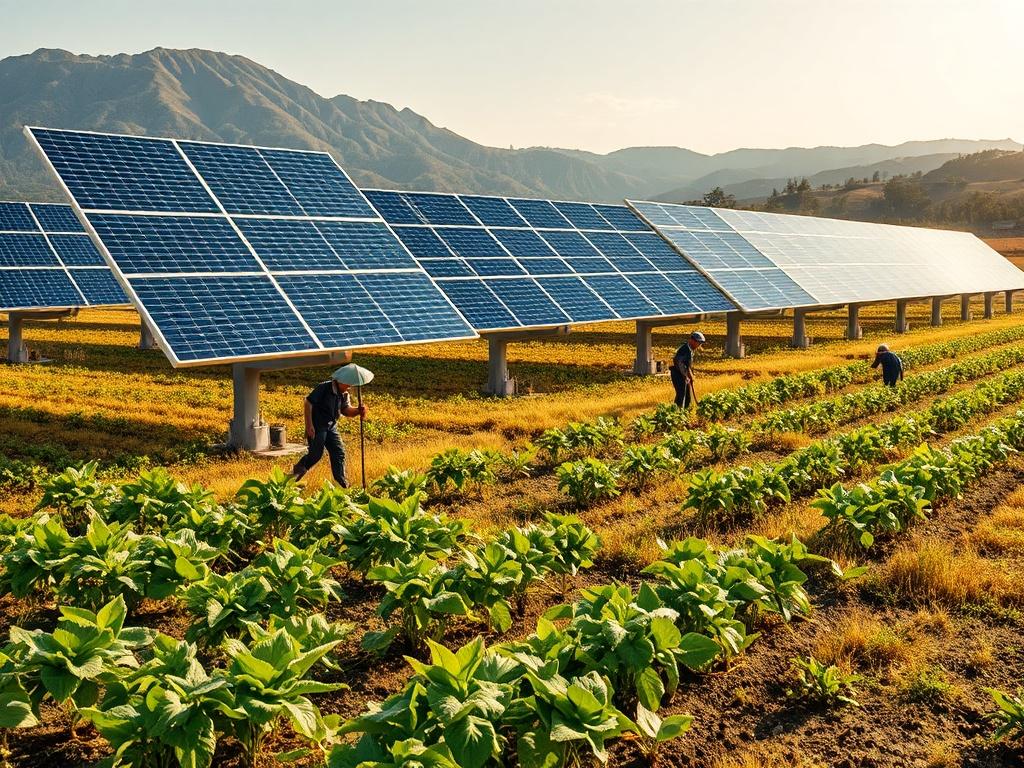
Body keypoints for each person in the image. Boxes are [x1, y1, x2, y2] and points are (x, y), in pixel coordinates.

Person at [291, 367, 368, 485]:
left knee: (338, 452)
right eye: (347, 384)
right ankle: (293, 476)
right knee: (315, 455)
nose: (349, 387)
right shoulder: (324, 387)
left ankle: (342, 483)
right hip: (318, 425)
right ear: (340, 381)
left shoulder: (344, 394)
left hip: (331, 426)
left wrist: (358, 410)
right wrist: (309, 425)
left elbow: (346, 410)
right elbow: (308, 403)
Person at [671, 331, 705, 408]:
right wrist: (685, 376)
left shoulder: (690, 350)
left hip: (683, 373)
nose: (699, 345)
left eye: (700, 343)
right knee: (681, 394)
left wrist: (690, 375)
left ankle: (686, 410)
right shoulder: (684, 349)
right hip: (678, 374)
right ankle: (677, 411)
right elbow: (679, 363)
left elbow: (687, 365)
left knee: (687, 395)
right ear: (692, 340)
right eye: (698, 343)